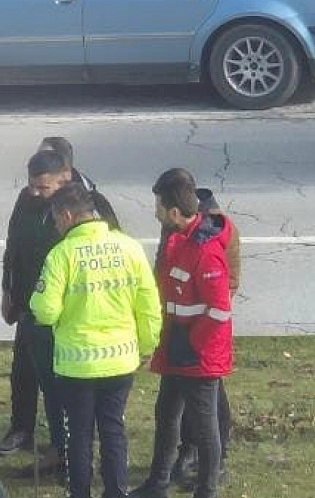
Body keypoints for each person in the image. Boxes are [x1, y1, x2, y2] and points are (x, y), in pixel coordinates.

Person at [0, 137, 120, 472]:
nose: (35, 193)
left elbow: (111, 251)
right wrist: (8, 289)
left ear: (64, 178)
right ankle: (55, 446)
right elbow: (14, 244)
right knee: (39, 378)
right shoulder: (27, 200)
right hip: (30, 306)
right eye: (32, 186)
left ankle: (71, 454)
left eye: (43, 187)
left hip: (67, 313)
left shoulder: (89, 205)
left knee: (65, 387)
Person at [30, 182, 162, 498]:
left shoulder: (62, 254)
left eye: (57, 220)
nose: (57, 226)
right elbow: (149, 303)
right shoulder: (129, 247)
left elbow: (45, 311)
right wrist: (147, 344)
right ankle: (116, 491)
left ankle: (80, 492)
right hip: (120, 358)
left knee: (79, 434)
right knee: (114, 429)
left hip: (77, 364)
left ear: (66, 215)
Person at [129, 169, 235, 498]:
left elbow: (219, 309)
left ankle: (206, 490)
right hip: (177, 345)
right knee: (166, 414)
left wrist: (192, 343)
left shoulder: (205, 251)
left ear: (174, 211)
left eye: (159, 206)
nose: (155, 212)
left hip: (197, 354)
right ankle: (158, 483)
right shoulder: (180, 240)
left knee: (204, 426)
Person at [162, 184, 241, 491]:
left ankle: (209, 476)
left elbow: (221, 299)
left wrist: (195, 339)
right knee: (172, 410)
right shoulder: (179, 233)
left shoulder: (206, 242)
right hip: (183, 336)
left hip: (199, 344)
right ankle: (178, 465)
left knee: (208, 414)